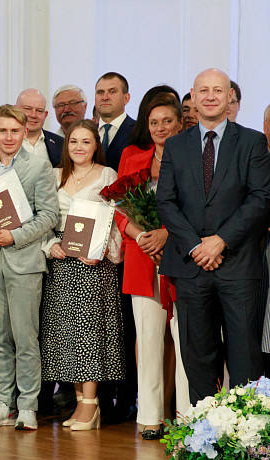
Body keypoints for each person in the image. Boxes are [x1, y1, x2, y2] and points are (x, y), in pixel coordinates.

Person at [157, 68, 270, 404]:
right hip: (191, 269)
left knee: (244, 359)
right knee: (197, 357)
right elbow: (166, 201)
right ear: (192, 96)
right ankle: (203, 437)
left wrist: (220, 241)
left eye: (217, 90)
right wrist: (196, 246)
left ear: (229, 98)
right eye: (202, 90)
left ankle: (245, 439)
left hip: (238, 266)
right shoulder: (175, 145)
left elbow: (260, 198)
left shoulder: (252, 141)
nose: (210, 96)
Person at [0, 105, 59, 430]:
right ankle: (3, 402)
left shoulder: (39, 166)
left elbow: (49, 216)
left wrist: (15, 236)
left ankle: (28, 406)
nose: (8, 136)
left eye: (14, 131)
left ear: (25, 132)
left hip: (25, 263)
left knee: (25, 337)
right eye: (2, 130)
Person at [40, 119, 124, 431]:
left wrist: (100, 251)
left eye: (86, 142)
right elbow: (44, 217)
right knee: (66, 337)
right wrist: (50, 245)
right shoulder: (54, 174)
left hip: (93, 266)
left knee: (89, 335)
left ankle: (91, 405)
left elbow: (117, 218)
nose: (79, 147)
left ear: (95, 145)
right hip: (61, 265)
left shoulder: (106, 175)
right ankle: (79, 405)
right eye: (73, 141)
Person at [117, 92, 190, 440]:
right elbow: (118, 210)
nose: (161, 127)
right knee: (147, 338)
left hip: (183, 257)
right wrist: (144, 236)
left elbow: (201, 211)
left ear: (180, 123)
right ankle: (150, 416)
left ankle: (189, 415)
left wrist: (165, 235)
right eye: (154, 122)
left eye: (168, 121)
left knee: (185, 337)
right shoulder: (133, 159)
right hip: (141, 258)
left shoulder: (194, 159)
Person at [0, 88, 63, 167]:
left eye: (39, 111)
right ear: (15, 109)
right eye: (28, 109)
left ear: (45, 115)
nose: (33, 115)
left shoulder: (61, 144)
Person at [95, 72, 135, 171]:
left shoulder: (140, 131)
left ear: (126, 98)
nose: (105, 97)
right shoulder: (86, 132)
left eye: (112, 92)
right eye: (100, 92)